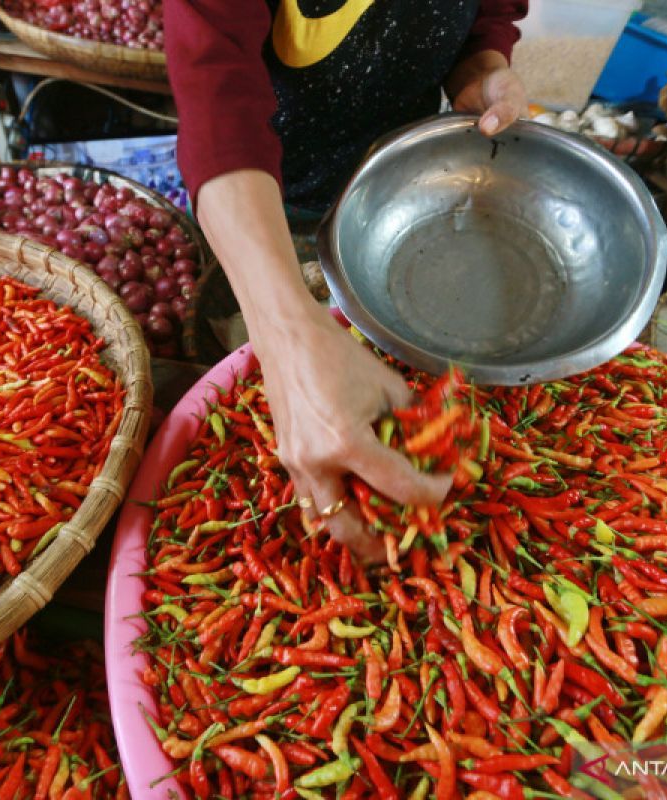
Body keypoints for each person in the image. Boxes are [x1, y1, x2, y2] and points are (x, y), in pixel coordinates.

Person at [165, 0, 529, 560]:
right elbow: (217, 97)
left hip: (396, 190)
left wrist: (479, 66)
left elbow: (490, 11)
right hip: (267, 199)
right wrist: (286, 337)